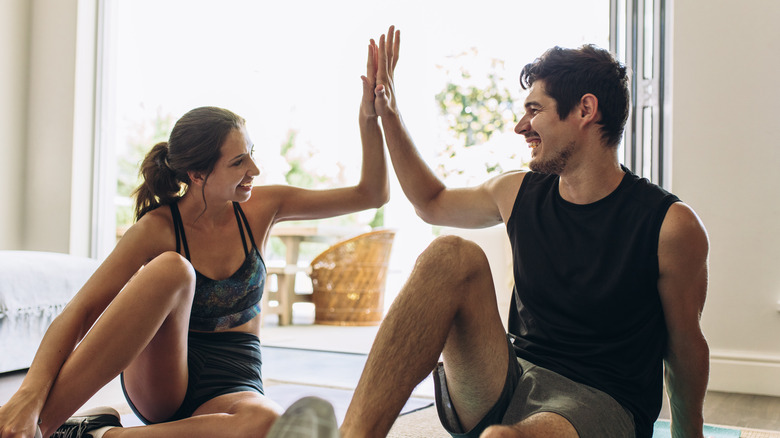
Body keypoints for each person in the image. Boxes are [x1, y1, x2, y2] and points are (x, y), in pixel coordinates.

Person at [0, 39, 388, 438]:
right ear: (197, 175)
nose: (255, 168)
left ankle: (95, 435)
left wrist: (369, 118)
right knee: (173, 269)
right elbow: (80, 311)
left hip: (234, 380)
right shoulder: (158, 228)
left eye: (251, 153)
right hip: (163, 380)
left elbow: (371, 194)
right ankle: (37, 428)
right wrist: (28, 395)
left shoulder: (264, 207)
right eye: (239, 161)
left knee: (267, 422)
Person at [340, 27, 710, 438]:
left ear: (585, 110)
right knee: (449, 254)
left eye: (535, 110)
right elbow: (431, 202)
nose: (521, 126)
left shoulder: (670, 224)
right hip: (513, 377)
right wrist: (388, 111)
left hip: (603, 402)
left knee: (504, 437)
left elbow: (685, 347)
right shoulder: (517, 192)